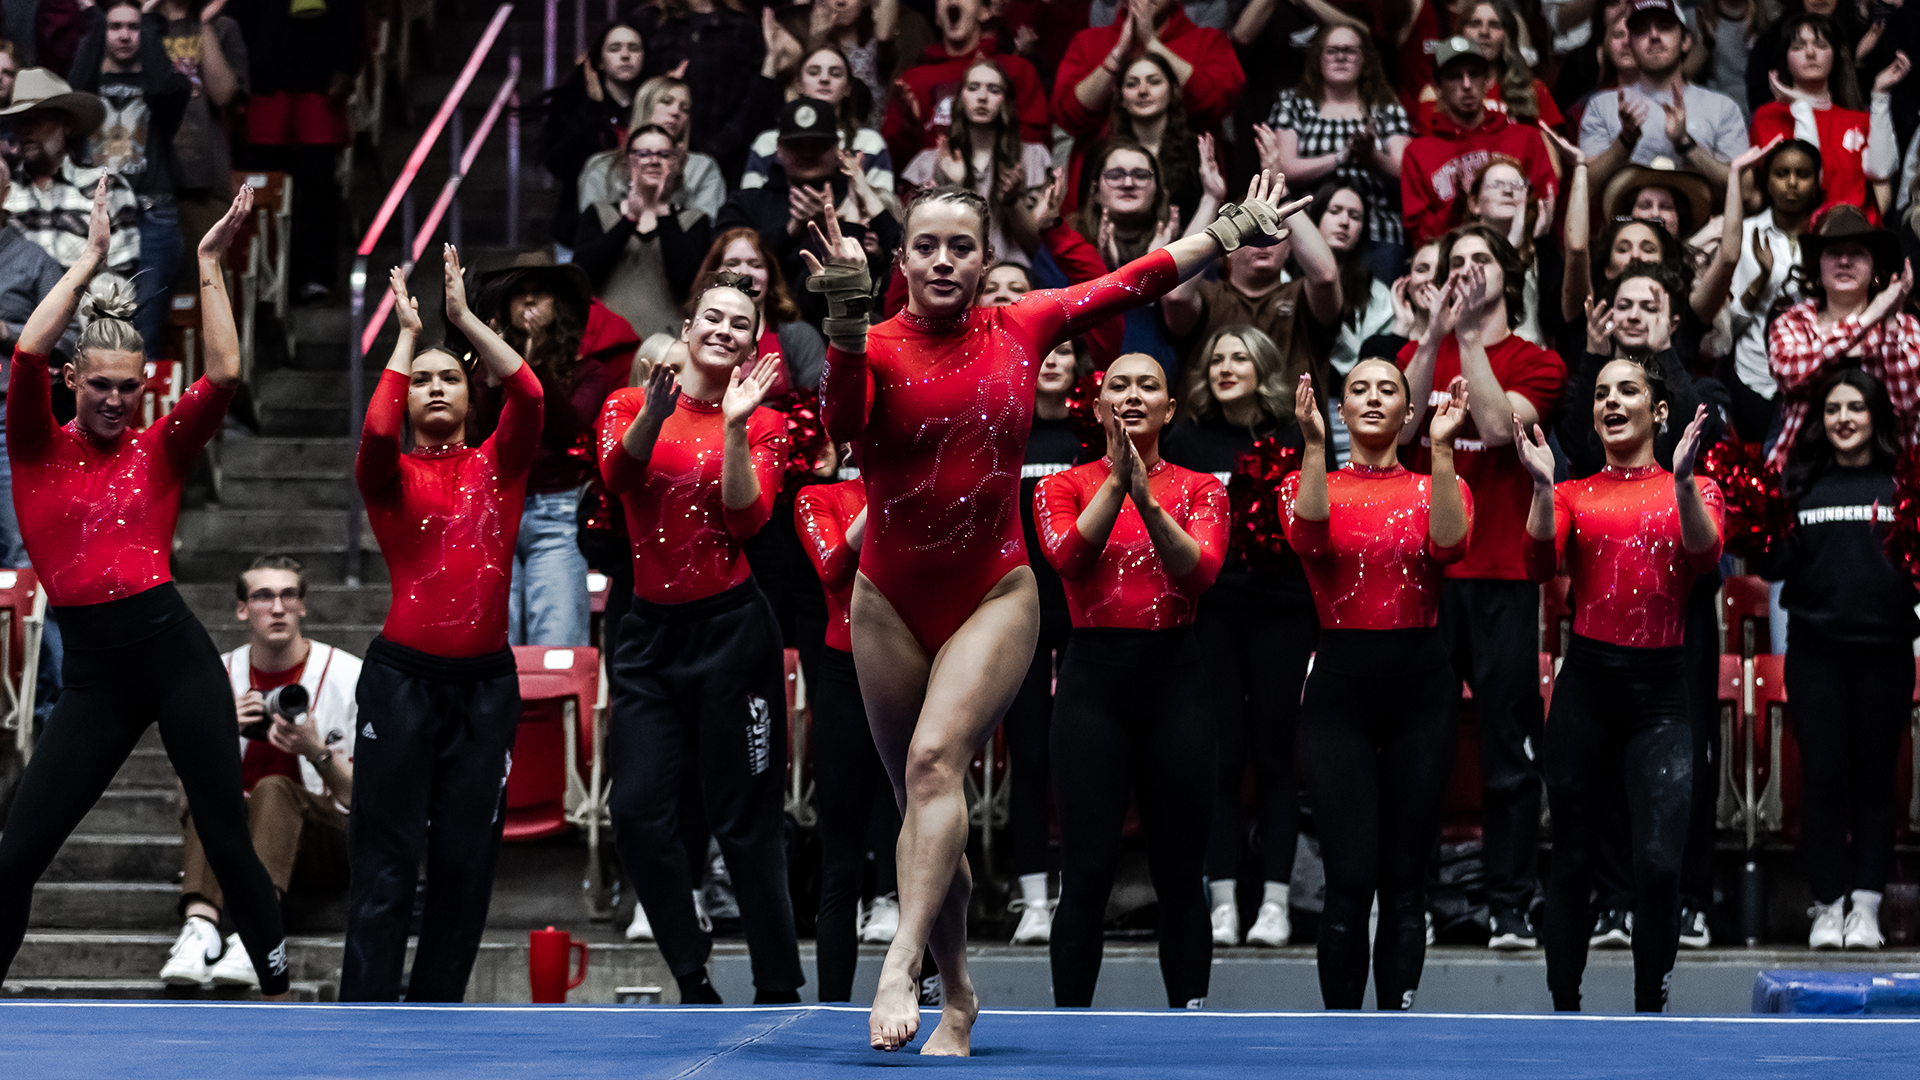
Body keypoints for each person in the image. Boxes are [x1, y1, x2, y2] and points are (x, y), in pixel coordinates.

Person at [812, 175, 1302, 1053]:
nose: (943, 260)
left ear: (987, 256)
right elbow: (843, 421)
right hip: (887, 598)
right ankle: (958, 994)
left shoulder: (1023, 323)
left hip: (996, 592)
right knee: (925, 800)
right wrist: (845, 330)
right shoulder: (876, 339)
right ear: (900, 258)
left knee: (932, 764)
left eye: (962, 246)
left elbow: (1139, 278)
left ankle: (901, 964)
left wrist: (1224, 233)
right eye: (925, 245)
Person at [0, 181, 292, 1000]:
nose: (117, 400)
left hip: (172, 654)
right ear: (73, 380)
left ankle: (278, 987)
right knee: (16, 854)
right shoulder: (33, 443)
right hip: (95, 676)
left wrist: (208, 260)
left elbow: (227, 371)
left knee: (226, 834)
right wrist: (90, 259)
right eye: (101, 385)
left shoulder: (157, 446)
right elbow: (25, 351)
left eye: (130, 386)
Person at [344, 248, 542, 1002]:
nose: (432, 387)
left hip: (485, 688)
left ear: (469, 394)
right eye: (422, 380)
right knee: (386, 860)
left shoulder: (502, 465)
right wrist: (405, 339)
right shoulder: (388, 475)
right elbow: (372, 434)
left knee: (465, 864)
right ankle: (362, 1020)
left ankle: (436, 1019)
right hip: (401, 684)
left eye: (447, 376)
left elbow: (528, 395)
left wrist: (462, 322)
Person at [597, 272, 799, 1005]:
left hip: (733, 634)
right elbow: (619, 477)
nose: (723, 330)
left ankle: (778, 986)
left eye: (738, 324)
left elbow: (747, 521)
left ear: (750, 343)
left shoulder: (768, 421)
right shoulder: (628, 402)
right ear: (687, 327)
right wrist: (654, 412)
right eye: (711, 317)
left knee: (747, 822)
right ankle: (690, 970)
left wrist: (739, 425)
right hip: (648, 636)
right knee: (637, 813)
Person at [1518, 359, 1724, 1012]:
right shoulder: (1574, 492)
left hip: (1661, 698)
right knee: (1572, 861)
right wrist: (1542, 489)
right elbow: (1537, 565)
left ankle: (1648, 1010)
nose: (1611, 400)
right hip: (1587, 692)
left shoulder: (1696, 486)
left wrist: (1685, 482)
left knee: (1659, 866)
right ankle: (1565, 1007)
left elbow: (1705, 558)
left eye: (1627, 390)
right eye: (1601, 392)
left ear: (1658, 413)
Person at [1034, 353, 1227, 1007]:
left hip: (1177, 684)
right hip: (1093, 686)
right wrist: (1120, 483)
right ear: (1097, 406)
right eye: (1120, 384)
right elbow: (1068, 558)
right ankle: (1069, 1025)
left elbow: (1197, 572)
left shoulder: (1203, 487)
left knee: (1180, 873)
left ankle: (1191, 1021)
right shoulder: (1060, 486)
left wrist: (1145, 494)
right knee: (1086, 873)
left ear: (1170, 410)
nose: (1134, 394)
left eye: (1150, 386)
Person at [1397, 223, 1568, 952]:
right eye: (1453, 264)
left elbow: (1499, 429)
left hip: (1501, 577)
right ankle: (1419, 904)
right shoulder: (1416, 354)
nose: (1465, 273)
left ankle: (1507, 904)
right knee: (1420, 753)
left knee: (1508, 752)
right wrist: (1431, 338)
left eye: (1480, 262)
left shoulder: (1538, 361)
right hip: (1428, 579)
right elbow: (1398, 425)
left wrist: (1465, 337)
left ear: (1510, 274)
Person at [1284, 365, 1473, 1010]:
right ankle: (1341, 1036)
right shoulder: (1310, 481)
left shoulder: (1434, 483)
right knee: (1350, 877)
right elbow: (1307, 537)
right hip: (1340, 691)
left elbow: (1449, 546)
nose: (1371, 399)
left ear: (1410, 410)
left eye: (1387, 389)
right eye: (1358, 389)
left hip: (1422, 691)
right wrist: (1313, 446)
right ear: (1338, 409)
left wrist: (1444, 450)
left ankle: (1398, 1030)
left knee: (1404, 880)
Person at [1159, 324, 1315, 949]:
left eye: (1239, 357)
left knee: (1276, 756)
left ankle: (1274, 902)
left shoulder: (1293, 437)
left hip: (1283, 608)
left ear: (1265, 367)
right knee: (1221, 756)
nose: (1225, 366)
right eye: (1216, 356)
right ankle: (1222, 900)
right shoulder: (1188, 440)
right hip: (1213, 612)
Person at [1761, 368, 1916, 951]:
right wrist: (1764, 528)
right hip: (1817, 657)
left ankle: (1867, 909)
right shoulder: (1799, 488)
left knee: (1876, 783)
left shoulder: (1904, 487)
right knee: (1824, 781)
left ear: (1876, 416)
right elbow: (1773, 568)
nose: (1844, 418)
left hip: (1886, 653)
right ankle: (1827, 907)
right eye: (1832, 409)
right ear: (1819, 421)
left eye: (1855, 407)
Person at [159, 555, 361, 989]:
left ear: (304, 607)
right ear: (241, 609)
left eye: (289, 595)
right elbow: (183, 799)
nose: (278, 607)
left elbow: (365, 803)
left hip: (323, 844)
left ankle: (258, 934)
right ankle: (202, 930)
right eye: (263, 596)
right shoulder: (217, 677)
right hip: (237, 845)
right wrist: (218, 735)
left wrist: (315, 752)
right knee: (210, 792)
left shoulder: (348, 675)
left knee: (273, 788)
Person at [794, 460, 904, 997]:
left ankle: (933, 995)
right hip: (845, 674)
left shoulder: (931, 489)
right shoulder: (820, 497)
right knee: (840, 858)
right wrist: (885, 494)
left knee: (927, 845)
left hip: (915, 670)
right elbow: (835, 567)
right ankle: (831, 1004)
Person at [469, 255, 615, 649]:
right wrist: (495, 379)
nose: (529, 302)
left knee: (556, 642)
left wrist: (532, 371)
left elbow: (571, 430)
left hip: (558, 512)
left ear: (558, 306)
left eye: (540, 292)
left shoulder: (590, 372)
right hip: (497, 510)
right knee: (496, 644)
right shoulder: (486, 373)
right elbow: (480, 437)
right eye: (518, 293)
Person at [716, 97, 902, 332]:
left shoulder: (860, 202)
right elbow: (720, 260)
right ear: (779, 150)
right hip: (759, 331)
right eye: (797, 145)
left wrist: (844, 221)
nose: (807, 153)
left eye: (818, 144)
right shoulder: (746, 203)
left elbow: (906, 255)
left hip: (847, 335)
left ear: (836, 148)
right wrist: (790, 232)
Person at [67, 0, 190, 356]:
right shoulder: (89, 81)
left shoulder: (166, 87)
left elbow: (165, 89)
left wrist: (151, 20)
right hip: (95, 217)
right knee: (92, 331)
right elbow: (74, 91)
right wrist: (93, 18)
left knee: (144, 336)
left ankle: (139, 412)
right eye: (115, 26)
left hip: (153, 216)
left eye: (132, 27)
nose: (124, 35)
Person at [1765, 205, 1920, 476]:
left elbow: (1905, 404)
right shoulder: (1794, 322)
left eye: (1856, 253)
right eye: (1834, 253)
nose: (1844, 261)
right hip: (1802, 472)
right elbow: (1790, 374)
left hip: (1890, 476)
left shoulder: (1906, 325)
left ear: (1874, 267)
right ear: (1818, 267)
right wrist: (1869, 317)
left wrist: (1891, 322)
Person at [229, 0, 362, 301]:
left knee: (318, 185)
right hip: (262, 86)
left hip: (317, 83)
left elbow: (353, 15)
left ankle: (315, 276)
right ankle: (265, 280)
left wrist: (347, 67)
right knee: (257, 192)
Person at [1263, 24, 1413, 284]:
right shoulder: (1294, 103)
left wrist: (1371, 157)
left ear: (1365, 59)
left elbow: (1407, 172)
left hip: (1377, 227)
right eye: (1332, 51)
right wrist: (1340, 157)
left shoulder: (1386, 107)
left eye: (1350, 51)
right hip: (1308, 224)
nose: (1341, 57)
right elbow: (1284, 169)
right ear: (1318, 58)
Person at [1052, 0, 1245, 195]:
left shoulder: (1208, 41)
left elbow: (1213, 102)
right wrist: (1118, 53)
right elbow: (1068, 113)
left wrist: (1152, 43)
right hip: (1104, 191)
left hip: (1187, 189)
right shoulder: (1089, 42)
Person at [1576, 0, 1748, 193]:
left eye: (1665, 27)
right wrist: (1624, 141)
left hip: (1705, 222)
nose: (1654, 35)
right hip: (1625, 221)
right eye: (1641, 30)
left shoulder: (1722, 107)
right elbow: (1584, 189)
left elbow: (1745, 189)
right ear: (1630, 45)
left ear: (1686, 41)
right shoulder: (1602, 105)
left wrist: (1686, 144)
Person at [1401, 37, 1558, 247]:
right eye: (1454, 77)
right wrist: (1457, 208)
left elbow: (1545, 201)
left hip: (1521, 251)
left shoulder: (1524, 137)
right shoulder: (1418, 152)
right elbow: (1418, 234)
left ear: (1488, 80)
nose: (1466, 85)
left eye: (1474, 74)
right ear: (1437, 87)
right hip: (1451, 258)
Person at [1750, 16, 1904, 223]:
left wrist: (1880, 95)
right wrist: (1802, 106)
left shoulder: (1858, 118)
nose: (1811, 53)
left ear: (1836, 55)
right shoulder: (1770, 116)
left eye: (1821, 45)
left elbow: (1882, 176)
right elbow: (1808, 185)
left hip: (1861, 235)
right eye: (1798, 46)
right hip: (1802, 235)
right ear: (1784, 58)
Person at [901, 59, 1051, 267]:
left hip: (1014, 280)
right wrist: (955, 187)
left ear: (1006, 101)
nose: (982, 97)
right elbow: (915, 242)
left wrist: (1012, 202)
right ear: (960, 99)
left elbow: (1035, 246)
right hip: (953, 273)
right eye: (973, 88)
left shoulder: (1032, 157)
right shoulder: (928, 161)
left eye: (993, 89)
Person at [575, 124, 714, 342]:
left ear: (675, 162)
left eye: (663, 154)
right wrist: (629, 219)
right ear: (628, 160)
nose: (653, 160)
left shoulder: (694, 221)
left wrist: (664, 211)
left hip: (671, 347)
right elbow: (583, 275)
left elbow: (687, 284)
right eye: (643, 153)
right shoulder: (599, 214)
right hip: (607, 346)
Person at [881, 0, 1049, 169]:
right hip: (932, 191)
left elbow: (1037, 152)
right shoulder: (913, 81)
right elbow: (890, 166)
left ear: (984, 12)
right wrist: (909, 129)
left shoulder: (1015, 71)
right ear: (937, 18)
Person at [1728, 138, 1821, 442]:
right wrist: (1761, 280)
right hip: (1755, 373)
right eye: (1782, 174)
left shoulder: (1828, 236)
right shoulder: (1746, 235)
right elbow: (1731, 326)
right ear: (1767, 181)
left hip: (1815, 373)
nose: (1792, 183)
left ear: (1816, 181)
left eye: (1802, 174)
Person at [1, 69, 135, 276]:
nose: (25, 129)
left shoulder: (105, 187)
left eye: (37, 119)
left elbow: (121, 274)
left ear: (67, 125)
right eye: (19, 120)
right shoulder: (5, 191)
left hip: (84, 305)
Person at [633, 0, 774, 180]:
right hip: (655, 152)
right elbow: (632, 89)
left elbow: (755, 99)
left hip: (729, 158)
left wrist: (722, 146)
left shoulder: (743, 25)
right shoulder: (651, 19)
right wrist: (661, 86)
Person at [540, 21, 646, 252]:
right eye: (615, 48)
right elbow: (560, 164)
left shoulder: (653, 107)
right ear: (599, 60)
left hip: (643, 233)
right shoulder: (574, 105)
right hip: (580, 232)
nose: (625, 55)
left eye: (633, 48)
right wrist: (592, 109)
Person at [154, 0, 246, 262]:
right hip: (147, 182)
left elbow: (223, 94)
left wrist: (203, 24)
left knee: (205, 283)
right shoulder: (130, 25)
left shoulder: (222, 27)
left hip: (202, 178)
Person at [743, 44, 894, 196]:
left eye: (835, 74)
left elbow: (884, 208)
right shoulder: (767, 143)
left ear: (848, 86)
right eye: (813, 72)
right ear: (798, 84)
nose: (824, 79)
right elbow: (749, 204)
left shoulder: (870, 143)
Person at [1415, 0, 1566, 142]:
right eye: (1475, 24)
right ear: (1461, 32)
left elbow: (1551, 159)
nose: (1484, 32)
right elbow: (1430, 153)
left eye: (1494, 25)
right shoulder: (1435, 93)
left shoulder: (1533, 90)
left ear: (1507, 35)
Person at [809, 0, 899, 130]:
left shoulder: (877, 50)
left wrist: (884, 37)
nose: (841, 2)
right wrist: (816, 40)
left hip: (868, 139)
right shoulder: (810, 45)